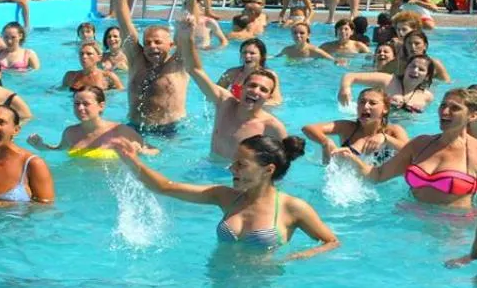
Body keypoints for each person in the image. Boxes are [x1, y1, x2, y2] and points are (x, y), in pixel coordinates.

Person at [113, 135, 338, 258]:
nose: (232, 169)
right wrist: (132, 160)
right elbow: (165, 187)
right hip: (217, 281)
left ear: (268, 170)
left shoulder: (293, 208)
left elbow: (331, 242)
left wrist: (298, 257)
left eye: (241, 165)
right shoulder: (225, 197)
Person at [332, 89, 477, 207]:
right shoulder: (420, 144)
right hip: (408, 225)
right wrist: (351, 158)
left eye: (455, 108)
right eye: (443, 106)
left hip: (452, 232)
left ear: (472, 116)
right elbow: (378, 175)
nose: (445, 112)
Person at [179, 18, 288, 157]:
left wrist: (251, 102)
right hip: (210, 167)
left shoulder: (272, 125)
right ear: (242, 87)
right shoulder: (227, 93)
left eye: (263, 89)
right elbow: (199, 75)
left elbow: (284, 161)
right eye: (244, 53)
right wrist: (186, 38)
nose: (247, 56)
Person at [111, 0, 188, 133]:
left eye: (158, 43)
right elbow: (125, 26)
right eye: (147, 43)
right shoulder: (136, 60)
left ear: (171, 45)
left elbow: (189, 31)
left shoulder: (178, 64)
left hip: (170, 130)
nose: (152, 47)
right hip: (134, 127)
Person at [27, 86, 153, 159]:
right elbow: (59, 150)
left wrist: (141, 152)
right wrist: (41, 147)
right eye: (77, 104)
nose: (80, 108)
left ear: (101, 106)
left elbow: (154, 151)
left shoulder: (120, 131)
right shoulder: (70, 133)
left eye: (86, 104)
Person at [302, 87, 410, 165]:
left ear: (385, 109)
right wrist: (325, 142)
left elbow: (412, 152)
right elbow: (308, 128)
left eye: (372, 103)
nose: (365, 106)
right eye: (362, 102)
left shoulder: (393, 131)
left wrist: (385, 138)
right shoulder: (347, 128)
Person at [338, 53, 437, 114]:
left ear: (427, 76)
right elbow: (350, 76)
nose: (415, 70)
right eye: (412, 66)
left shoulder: (427, 97)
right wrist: (345, 88)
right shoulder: (388, 80)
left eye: (421, 69)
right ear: (406, 68)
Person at [216, 36, 284, 104]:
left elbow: (276, 101)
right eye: (244, 52)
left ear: (262, 56)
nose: (247, 56)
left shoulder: (270, 75)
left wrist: (250, 104)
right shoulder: (231, 73)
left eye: (252, 53)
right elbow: (215, 92)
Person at [60, 42, 125, 91]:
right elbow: (59, 92)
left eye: (89, 54)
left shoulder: (108, 77)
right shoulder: (70, 76)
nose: (84, 57)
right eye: (81, 54)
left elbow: (121, 95)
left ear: (99, 58)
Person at [276, 22, 342, 63]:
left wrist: (338, 62)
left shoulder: (314, 50)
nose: (298, 35)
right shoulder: (287, 50)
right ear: (291, 34)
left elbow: (332, 60)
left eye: (302, 33)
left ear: (308, 35)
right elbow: (275, 58)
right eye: (295, 33)